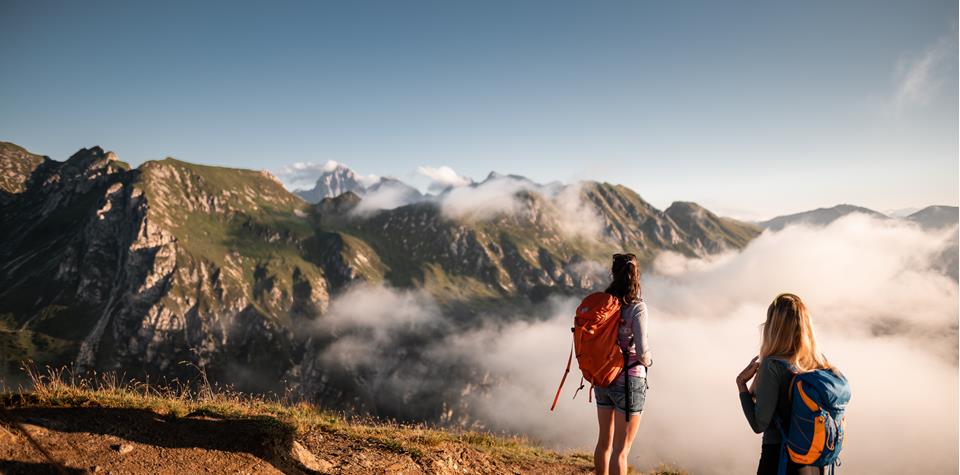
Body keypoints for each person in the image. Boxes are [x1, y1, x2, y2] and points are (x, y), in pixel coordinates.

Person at [736, 293, 837, 475]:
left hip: (780, 460)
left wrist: (741, 383)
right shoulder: (820, 363)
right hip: (816, 463)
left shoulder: (773, 365)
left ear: (774, 327)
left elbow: (759, 425)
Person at [593, 252, 652, 475]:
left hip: (602, 376)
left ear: (613, 273)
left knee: (604, 444)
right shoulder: (637, 307)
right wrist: (650, 362)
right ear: (636, 276)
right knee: (621, 450)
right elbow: (643, 350)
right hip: (629, 380)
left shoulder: (604, 304)